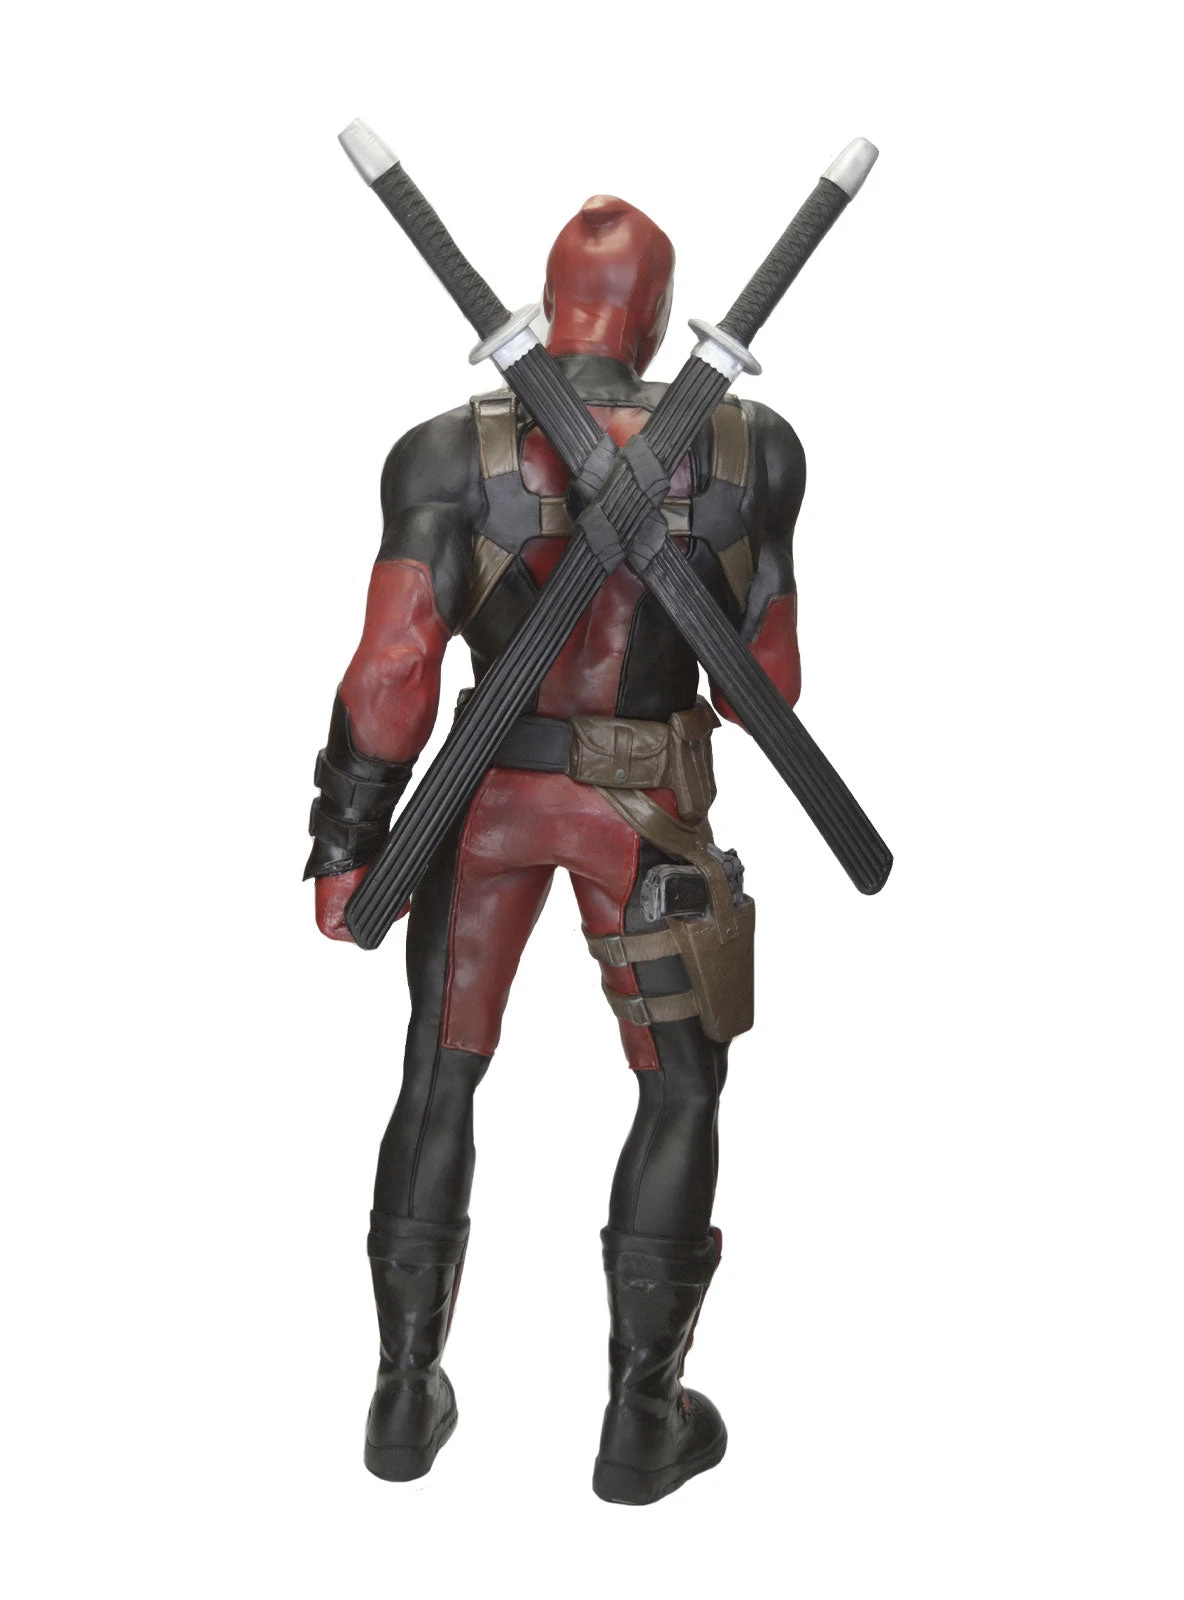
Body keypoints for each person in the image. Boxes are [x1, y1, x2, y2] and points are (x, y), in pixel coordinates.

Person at [305, 193, 806, 1503]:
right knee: (680, 1091)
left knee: (438, 1076)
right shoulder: (749, 450)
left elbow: (395, 664)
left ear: (552, 302)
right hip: (647, 814)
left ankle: (403, 1395)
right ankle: (644, 1417)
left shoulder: (443, 453)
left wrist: (347, 835)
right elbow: (765, 688)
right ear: (658, 316)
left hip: (486, 806)